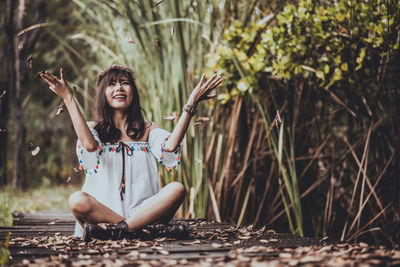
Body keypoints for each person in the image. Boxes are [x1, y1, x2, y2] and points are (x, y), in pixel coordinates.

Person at [40, 65, 222, 241]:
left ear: (133, 92)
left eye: (124, 82)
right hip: (102, 214)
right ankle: (141, 231)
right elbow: (89, 145)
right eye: (111, 84)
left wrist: (191, 103)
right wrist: (68, 97)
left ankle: (118, 231)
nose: (119, 87)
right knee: (77, 200)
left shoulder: (148, 129)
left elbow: (171, 145)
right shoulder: (92, 128)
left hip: (144, 213)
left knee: (177, 188)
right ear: (103, 94)